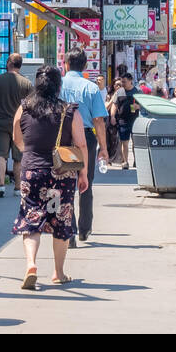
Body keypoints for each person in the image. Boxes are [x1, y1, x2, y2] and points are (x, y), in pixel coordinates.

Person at [12, 65, 87, 289]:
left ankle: (31, 265)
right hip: (60, 176)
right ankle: (59, 272)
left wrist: (30, 153)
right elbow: (81, 144)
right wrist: (83, 173)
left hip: (31, 172)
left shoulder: (24, 107)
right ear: (59, 86)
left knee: (31, 219)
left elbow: (16, 135)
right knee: (60, 220)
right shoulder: (68, 110)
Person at [60, 47, 109, 245]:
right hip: (87, 139)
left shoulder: (57, 85)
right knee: (85, 183)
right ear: (86, 66)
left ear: (65, 64)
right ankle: (85, 229)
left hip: (62, 138)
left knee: (65, 185)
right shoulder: (91, 88)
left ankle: (69, 230)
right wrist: (103, 148)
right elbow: (98, 120)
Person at [0, 53, 33, 198]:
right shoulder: (26, 83)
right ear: (20, 65)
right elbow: (32, 105)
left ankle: (1, 186)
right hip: (19, 125)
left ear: (9, 63)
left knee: (0, 155)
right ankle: (17, 188)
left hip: (0, 123)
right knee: (18, 158)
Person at [111, 73, 139, 169]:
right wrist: (112, 116)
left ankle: (137, 161)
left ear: (130, 81)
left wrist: (138, 106)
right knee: (124, 142)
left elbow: (144, 104)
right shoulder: (119, 92)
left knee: (136, 142)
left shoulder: (138, 91)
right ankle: (125, 162)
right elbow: (114, 105)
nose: (123, 83)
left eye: (124, 82)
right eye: (122, 81)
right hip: (123, 120)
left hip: (136, 120)